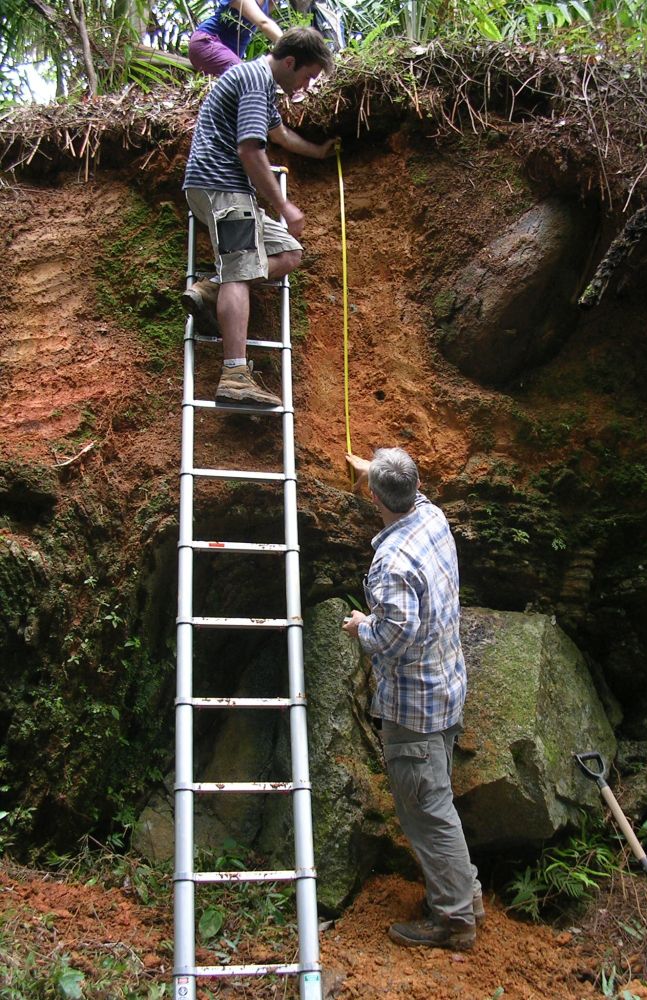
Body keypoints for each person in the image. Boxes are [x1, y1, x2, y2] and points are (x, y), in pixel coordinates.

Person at [341, 448, 483, 951]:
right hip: (445, 689)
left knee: (426, 810)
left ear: (375, 497)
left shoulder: (392, 563)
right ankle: (465, 896)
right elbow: (406, 491)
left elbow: (394, 634)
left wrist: (362, 626)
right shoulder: (432, 517)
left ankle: (455, 920)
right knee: (436, 798)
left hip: (413, 707)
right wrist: (372, 475)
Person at [182, 28, 337, 406]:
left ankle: (211, 290)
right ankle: (235, 374)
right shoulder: (254, 79)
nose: (306, 84)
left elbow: (277, 133)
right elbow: (251, 150)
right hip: (223, 187)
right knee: (239, 270)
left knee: (289, 253)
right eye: (308, 75)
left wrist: (318, 152)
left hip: (226, 192)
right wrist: (284, 206)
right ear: (289, 62)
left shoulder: (260, 88)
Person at [188, 0, 283, 78]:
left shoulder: (269, 3)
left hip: (229, 57)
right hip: (206, 43)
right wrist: (293, 47)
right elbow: (264, 23)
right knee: (249, 77)